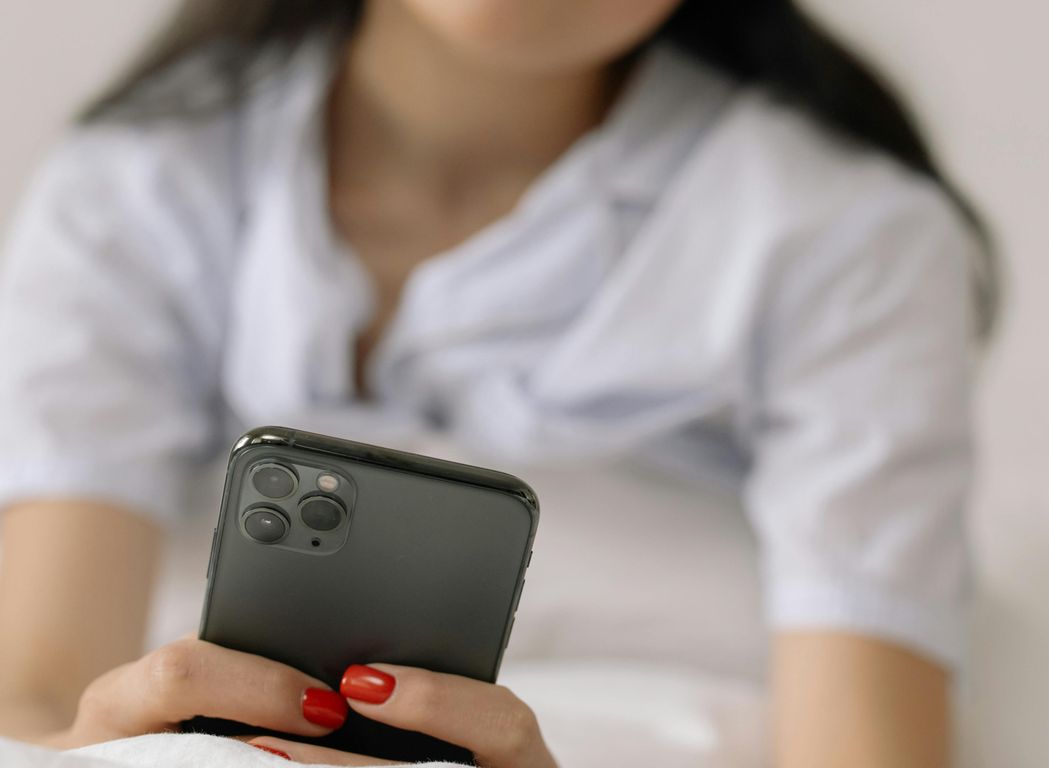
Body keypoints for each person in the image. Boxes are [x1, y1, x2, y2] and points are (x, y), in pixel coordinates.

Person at [0, 0, 993, 765]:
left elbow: (863, 747)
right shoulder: (136, 184)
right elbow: (33, 693)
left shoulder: (851, 238)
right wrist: (102, 749)